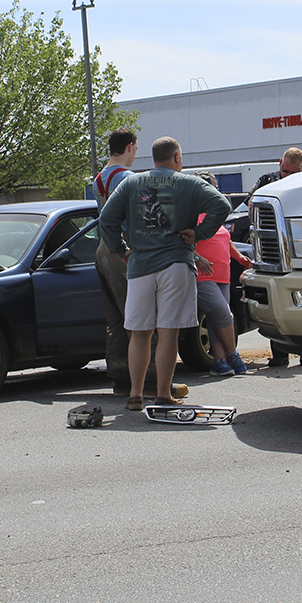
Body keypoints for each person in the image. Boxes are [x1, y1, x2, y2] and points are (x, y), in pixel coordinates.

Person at [99, 137, 230, 411]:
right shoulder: (191, 183)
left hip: (139, 266)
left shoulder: (131, 183)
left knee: (139, 333)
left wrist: (120, 250)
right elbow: (222, 206)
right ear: (177, 158)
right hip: (176, 264)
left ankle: (135, 394)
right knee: (168, 333)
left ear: (154, 157)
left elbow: (106, 218)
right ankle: (162, 394)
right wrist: (199, 233)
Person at [94, 129, 188, 400]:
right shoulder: (128, 178)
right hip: (124, 248)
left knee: (117, 319)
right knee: (143, 319)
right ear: (131, 147)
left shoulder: (99, 178)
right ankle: (155, 382)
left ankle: (121, 378)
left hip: (103, 248)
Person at [251, 147, 302, 367]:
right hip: (272, 251)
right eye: (285, 171)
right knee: (275, 305)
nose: (288, 176)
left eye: (293, 173)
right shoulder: (267, 181)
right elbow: (252, 207)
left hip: (299, 251)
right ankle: (279, 355)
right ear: (280, 164)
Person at [193, 171, 252, 377]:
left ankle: (219, 362)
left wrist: (239, 258)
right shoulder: (190, 214)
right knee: (224, 314)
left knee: (215, 317)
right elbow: (182, 240)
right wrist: (197, 258)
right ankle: (233, 353)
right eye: (214, 188)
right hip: (202, 274)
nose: (218, 192)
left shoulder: (216, 213)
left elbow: (226, 240)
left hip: (222, 273)